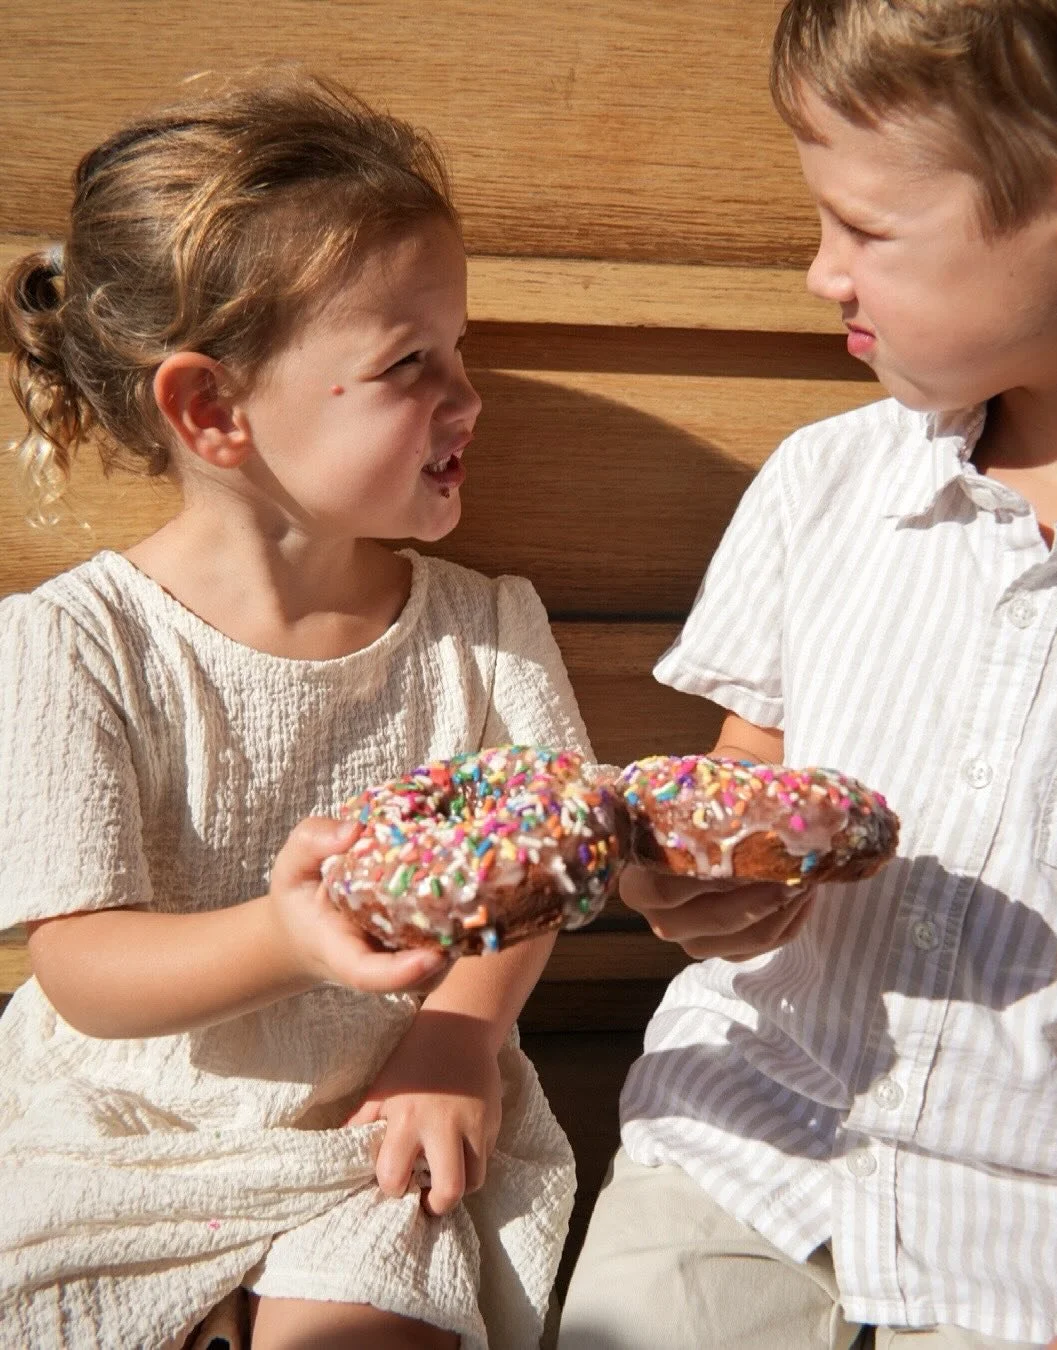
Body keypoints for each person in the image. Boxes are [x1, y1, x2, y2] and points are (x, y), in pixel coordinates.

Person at [0, 71, 588, 1350]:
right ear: (213, 409)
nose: (469, 396)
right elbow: (80, 967)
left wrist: (456, 1039)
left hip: (388, 1114)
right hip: (128, 1134)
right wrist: (287, 935)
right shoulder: (74, 644)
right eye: (408, 363)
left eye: (462, 347)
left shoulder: (483, 631)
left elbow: (547, 857)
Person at [558, 1, 1057, 1346]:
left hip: (1035, 1250)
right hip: (746, 1139)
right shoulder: (825, 484)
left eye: (867, 228)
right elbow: (751, 781)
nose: (819, 271)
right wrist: (691, 883)